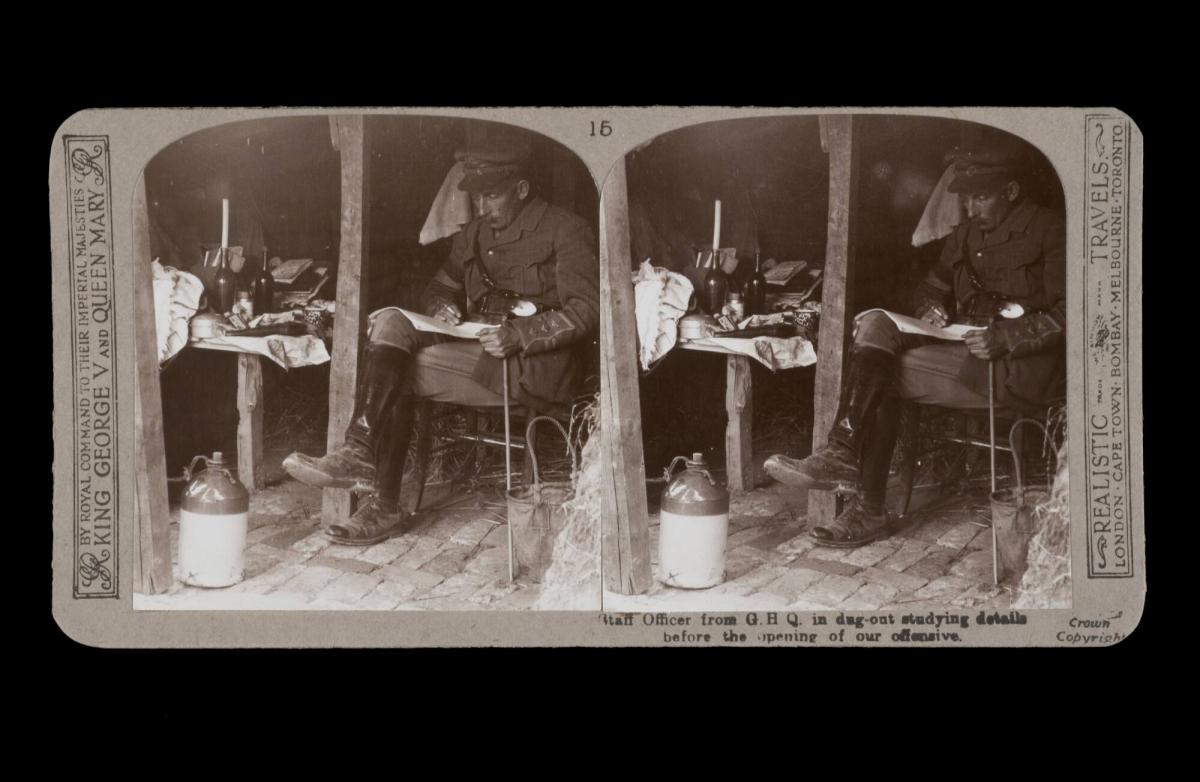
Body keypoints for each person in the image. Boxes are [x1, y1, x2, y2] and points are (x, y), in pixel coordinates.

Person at [284, 139, 599, 545]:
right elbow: (440, 286)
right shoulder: (474, 234)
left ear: (521, 189)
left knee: (400, 369)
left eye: (492, 196)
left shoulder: (566, 229)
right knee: (393, 324)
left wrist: (519, 335)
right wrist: (442, 304)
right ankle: (358, 450)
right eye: (478, 197)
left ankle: (383, 504)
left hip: (529, 365)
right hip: (472, 346)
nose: (483, 208)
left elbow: (587, 310)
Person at [764, 140, 1065, 548]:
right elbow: (930, 287)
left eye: (981, 197)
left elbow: (1074, 315)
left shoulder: (1050, 229)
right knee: (875, 326)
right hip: (963, 350)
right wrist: (931, 307)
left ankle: (865, 502)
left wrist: (1006, 337)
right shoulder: (964, 236)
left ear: (1010, 192)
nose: (971, 209)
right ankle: (842, 450)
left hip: (1018, 367)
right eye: (966, 199)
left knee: (880, 371)